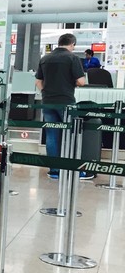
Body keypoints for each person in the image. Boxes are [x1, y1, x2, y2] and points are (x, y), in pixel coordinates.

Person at [35, 33, 91, 180]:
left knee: (52, 135)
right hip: (66, 101)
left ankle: (54, 170)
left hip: (47, 101)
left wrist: (46, 93)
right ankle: (76, 170)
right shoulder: (72, 58)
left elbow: (38, 82)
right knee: (73, 133)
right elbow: (81, 82)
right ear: (72, 44)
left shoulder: (45, 58)